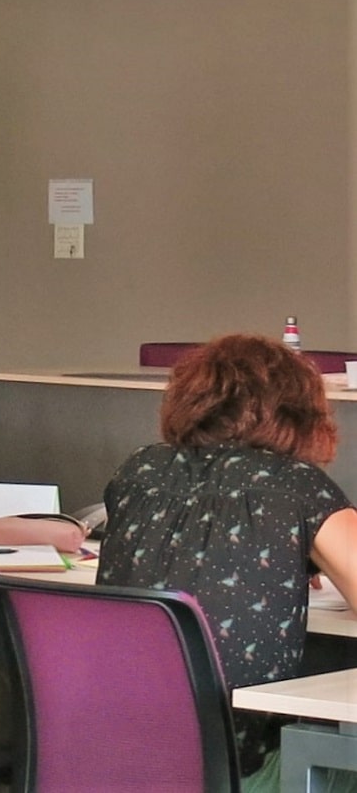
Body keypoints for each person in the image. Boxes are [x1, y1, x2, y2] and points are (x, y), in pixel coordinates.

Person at [98, 334, 357, 790]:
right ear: (299, 412)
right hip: (236, 766)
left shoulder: (138, 471)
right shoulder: (296, 485)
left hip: (114, 750)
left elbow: (195, 553)